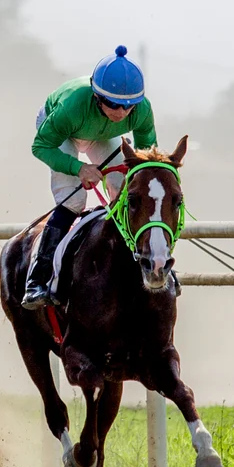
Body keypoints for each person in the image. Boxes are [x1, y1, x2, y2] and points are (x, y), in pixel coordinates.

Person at [21, 45, 157, 310]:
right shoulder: (71, 107)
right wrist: (78, 168)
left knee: (126, 193)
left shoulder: (142, 112)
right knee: (74, 200)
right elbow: (40, 147)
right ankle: (37, 281)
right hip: (59, 132)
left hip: (101, 135)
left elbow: (145, 160)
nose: (120, 113)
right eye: (113, 104)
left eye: (128, 106)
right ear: (97, 97)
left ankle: (150, 265)